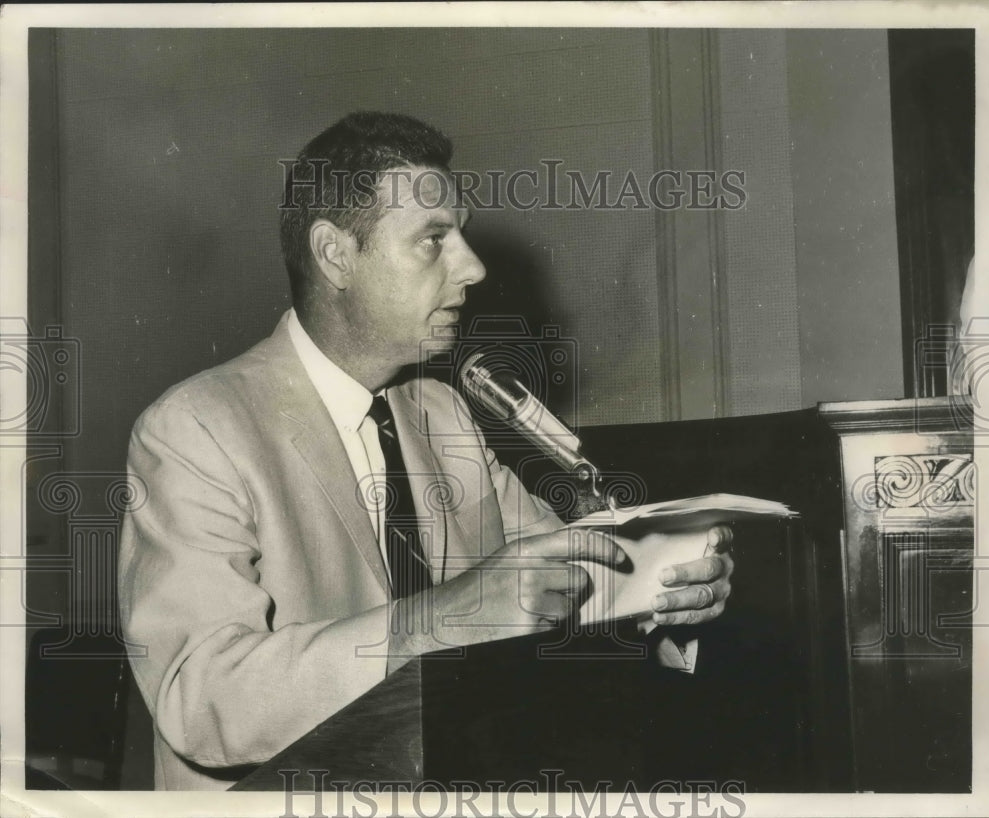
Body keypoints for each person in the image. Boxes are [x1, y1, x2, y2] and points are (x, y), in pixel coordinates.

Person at [117, 111, 734, 790]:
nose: (472, 267)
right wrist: (436, 621)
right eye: (433, 240)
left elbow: (561, 578)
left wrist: (659, 587)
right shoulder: (197, 428)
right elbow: (200, 698)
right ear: (335, 256)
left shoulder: (445, 415)